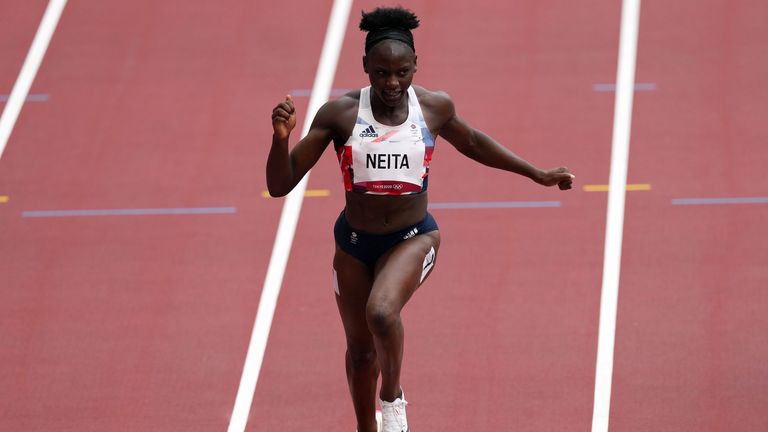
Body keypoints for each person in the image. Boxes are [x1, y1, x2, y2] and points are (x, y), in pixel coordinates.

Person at [267, 6, 574, 432]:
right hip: (353, 246)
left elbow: (476, 143)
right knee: (360, 353)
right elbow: (281, 184)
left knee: (381, 313)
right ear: (365, 68)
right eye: (381, 74)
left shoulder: (433, 107)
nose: (392, 84)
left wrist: (536, 173)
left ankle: (392, 400)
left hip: (413, 238)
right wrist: (280, 141)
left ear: (416, 67)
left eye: (402, 73)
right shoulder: (339, 114)